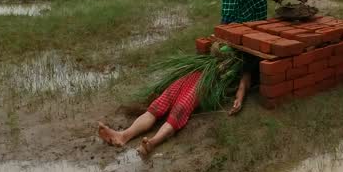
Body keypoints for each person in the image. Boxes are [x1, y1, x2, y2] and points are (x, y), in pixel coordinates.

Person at [97, 52, 258, 156]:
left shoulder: (244, 60)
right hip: (192, 75)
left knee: (179, 111)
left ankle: (152, 143)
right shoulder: (225, 44)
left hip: (207, 84)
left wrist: (239, 99)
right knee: (158, 105)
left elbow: (244, 83)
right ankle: (123, 136)